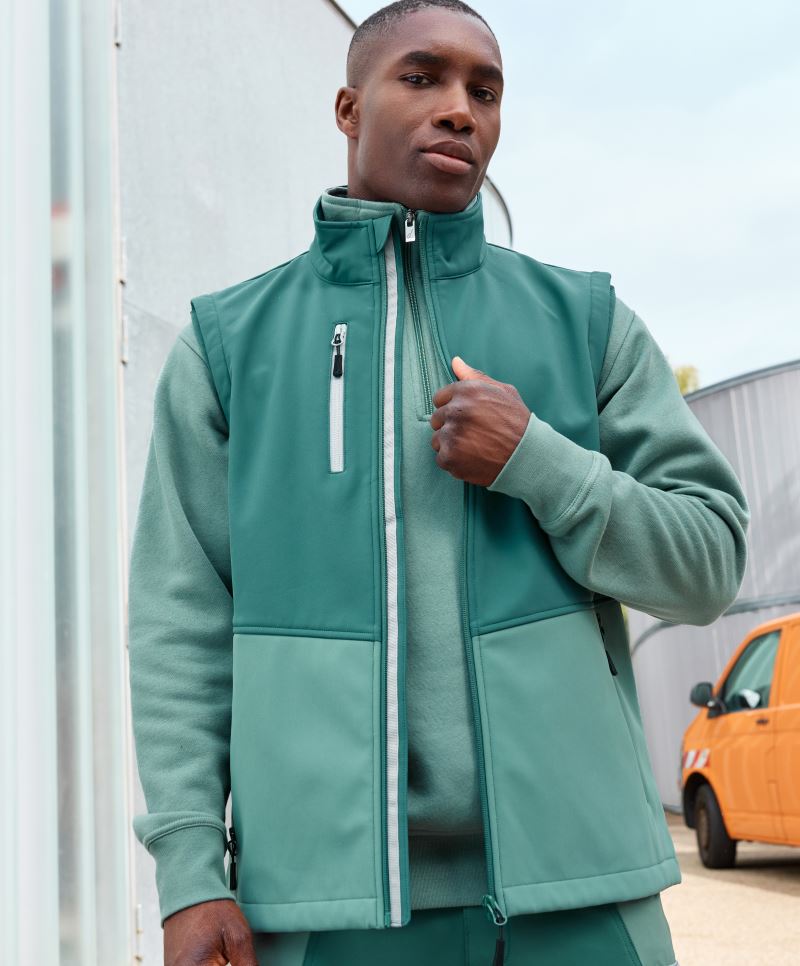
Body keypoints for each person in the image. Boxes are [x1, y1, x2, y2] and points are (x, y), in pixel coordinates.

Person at [127, 1, 750, 964]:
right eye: (422, 77)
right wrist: (189, 867)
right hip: (324, 912)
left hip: (579, 895)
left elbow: (707, 566)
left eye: (485, 91)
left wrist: (540, 462)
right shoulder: (229, 345)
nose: (460, 107)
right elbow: (181, 623)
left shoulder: (586, 322)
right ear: (348, 108)